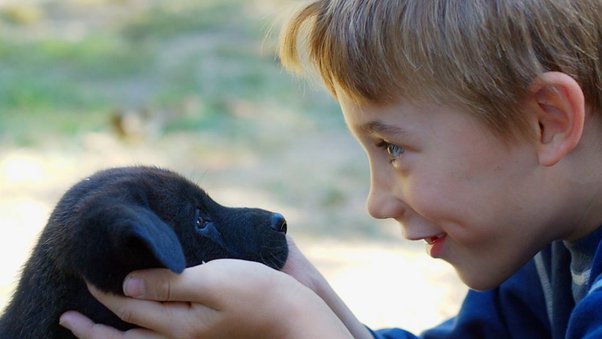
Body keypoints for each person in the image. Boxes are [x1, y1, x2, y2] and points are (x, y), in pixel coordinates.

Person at [59, 0, 602, 338]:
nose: (377, 202)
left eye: (392, 148)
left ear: (546, 122)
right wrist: (313, 302)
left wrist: (295, 325)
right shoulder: (542, 249)